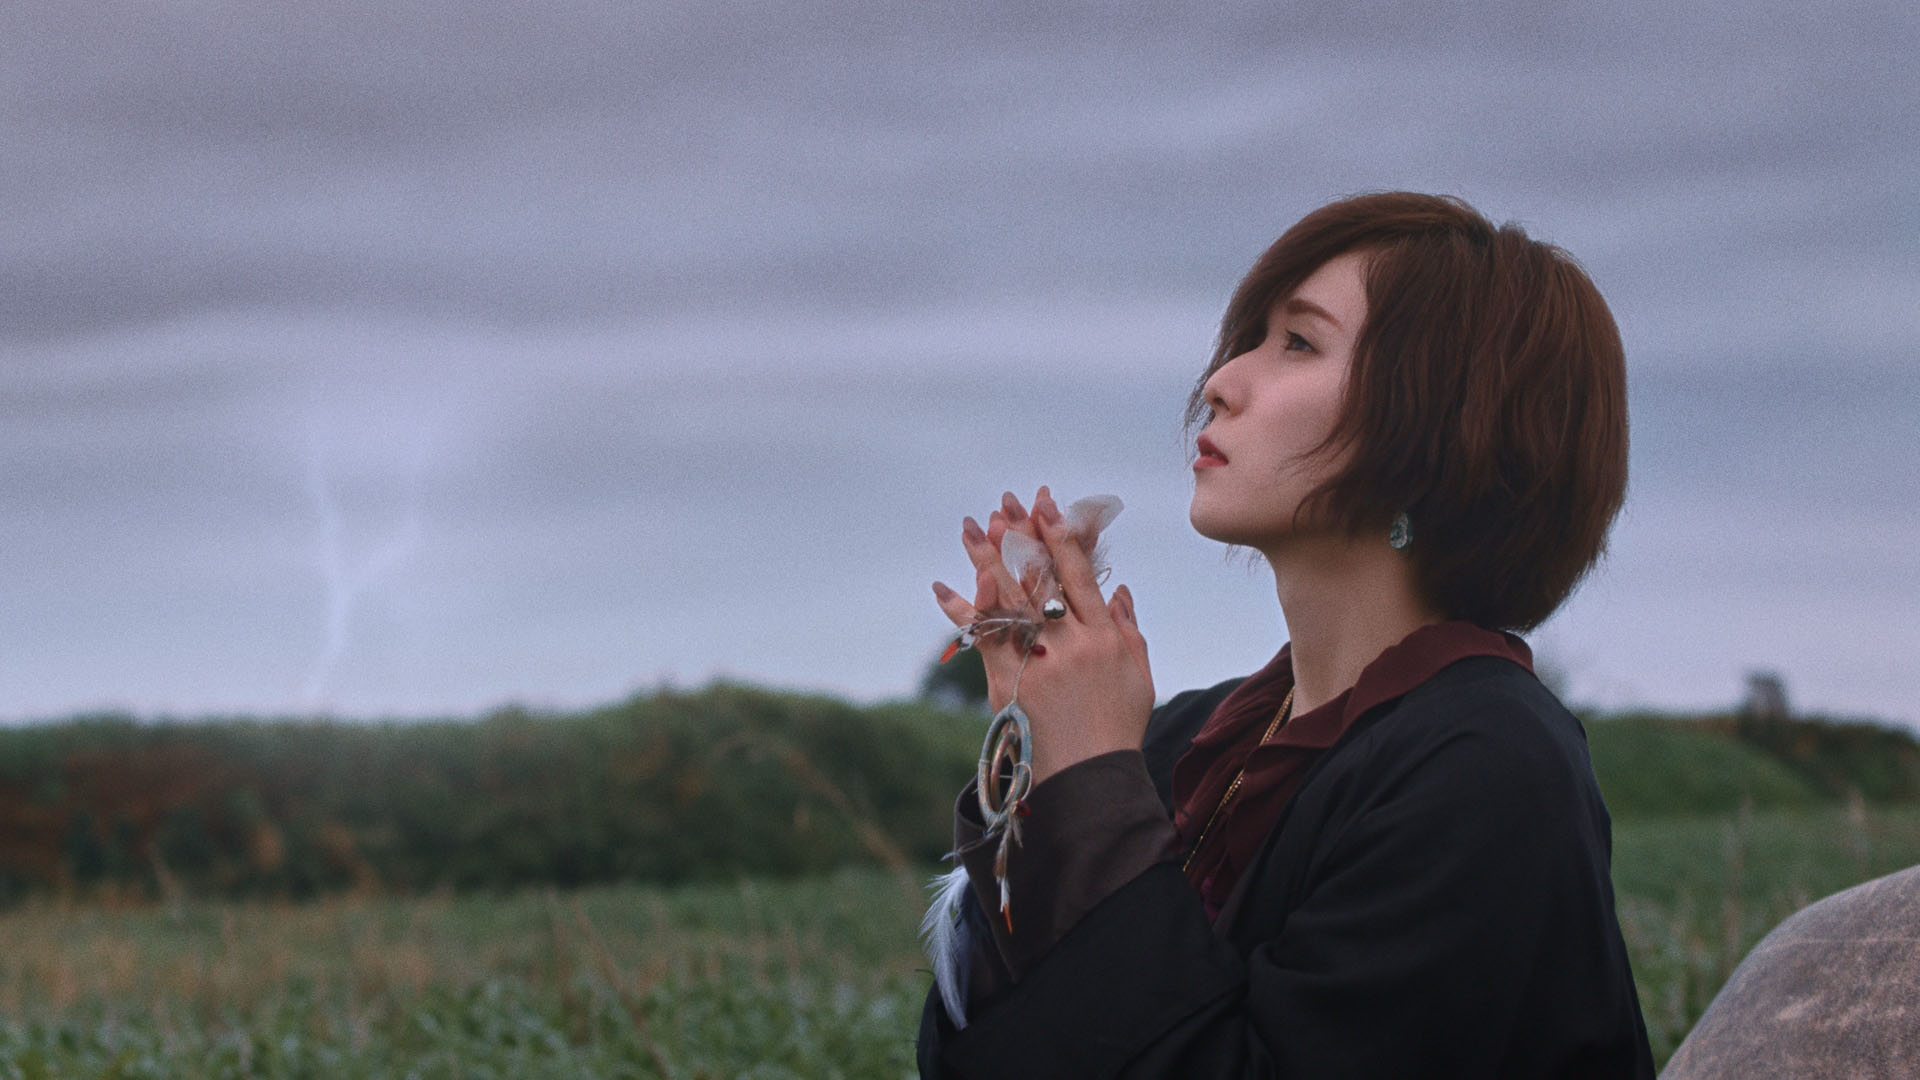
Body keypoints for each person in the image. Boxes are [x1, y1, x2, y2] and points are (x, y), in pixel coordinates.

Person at [919, 192, 1656, 1077]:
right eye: (1251, 339)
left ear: (1442, 424)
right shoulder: (1183, 740)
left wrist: (1095, 790)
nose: (1223, 381)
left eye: (1299, 343)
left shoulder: (1491, 770)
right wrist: (1039, 761)